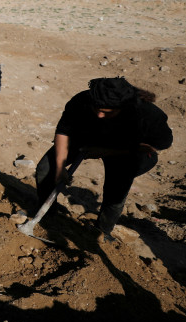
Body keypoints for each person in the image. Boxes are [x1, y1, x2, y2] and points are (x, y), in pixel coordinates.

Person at [34, 77, 173, 237]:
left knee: (116, 191)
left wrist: (105, 152)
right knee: (45, 168)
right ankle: (46, 216)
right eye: (97, 109)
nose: (100, 115)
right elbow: (64, 131)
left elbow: (158, 144)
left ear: (122, 106)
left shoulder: (147, 114)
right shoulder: (82, 101)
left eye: (107, 112)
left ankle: (101, 233)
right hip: (89, 136)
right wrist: (59, 167)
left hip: (127, 148)